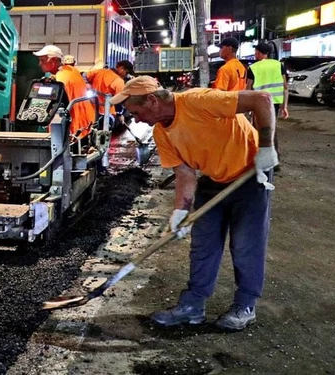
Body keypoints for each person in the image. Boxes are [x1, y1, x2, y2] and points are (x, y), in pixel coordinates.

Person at [112, 76, 277, 331]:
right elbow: (185, 174)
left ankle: (245, 306)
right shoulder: (161, 133)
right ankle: (192, 307)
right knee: (203, 245)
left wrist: (266, 147)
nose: (136, 118)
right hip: (213, 178)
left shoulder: (199, 101)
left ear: (152, 101)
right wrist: (180, 212)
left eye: (136, 111)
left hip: (251, 174)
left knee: (246, 245)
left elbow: (262, 99)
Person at [35, 45, 95, 139]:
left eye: (42, 60)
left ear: (54, 60)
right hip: (85, 125)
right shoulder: (71, 71)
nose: (39, 64)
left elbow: (57, 105)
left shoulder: (61, 78)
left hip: (74, 129)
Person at [246, 41, 288, 160]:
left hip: (259, 103)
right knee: (271, 129)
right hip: (275, 102)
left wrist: (247, 107)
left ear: (258, 53)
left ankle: (266, 159)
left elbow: (248, 88)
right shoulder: (279, 65)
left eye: (256, 52)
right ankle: (274, 157)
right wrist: (284, 106)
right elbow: (285, 86)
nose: (255, 54)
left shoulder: (253, 68)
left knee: (261, 130)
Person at [87, 59, 134, 128]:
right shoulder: (119, 81)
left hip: (91, 109)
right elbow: (119, 101)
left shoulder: (100, 72)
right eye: (126, 73)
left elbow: (84, 75)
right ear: (121, 68)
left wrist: (86, 84)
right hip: (107, 113)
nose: (126, 75)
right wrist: (120, 114)